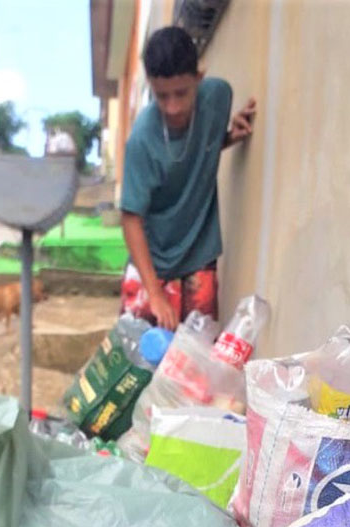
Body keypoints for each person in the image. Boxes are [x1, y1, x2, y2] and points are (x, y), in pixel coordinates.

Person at [119, 26, 257, 330]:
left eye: (181, 93)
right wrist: (155, 294)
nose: (173, 107)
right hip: (151, 264)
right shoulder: (143, 139)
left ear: (199, 77)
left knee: (198, 353)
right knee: (137, 354)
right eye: (162, 96)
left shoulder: (218, 98)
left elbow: (195, 149)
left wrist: (226, 137)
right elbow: (130, 219)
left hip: (199, 255)